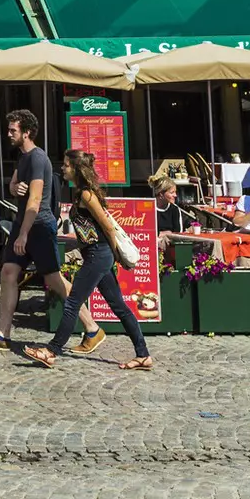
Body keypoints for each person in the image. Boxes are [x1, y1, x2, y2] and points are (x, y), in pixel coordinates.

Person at [24, 150, 153, 371]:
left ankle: (52, 351)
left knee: (73, 302)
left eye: (66, 165)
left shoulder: (86, 195)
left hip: (98, 255)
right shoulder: (80, 194)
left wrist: (115, 255)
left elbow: (107, 225)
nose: (62, 168)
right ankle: (143, 355)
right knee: (119, 306)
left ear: (76, 169)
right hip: (96, 255)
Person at [0, 109, 74, 350]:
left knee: (54, 279)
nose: (8, 134)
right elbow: (15, 185)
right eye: (8, 130)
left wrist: (23, 233)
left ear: (27, 132)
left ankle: (91, 327)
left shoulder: (38, 158)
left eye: (13, 130)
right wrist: (13, 186)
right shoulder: (23, 157)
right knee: (8, 272)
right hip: (25, 223)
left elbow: (35, 199)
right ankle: (2, 335)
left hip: (38, 225)